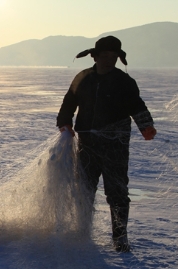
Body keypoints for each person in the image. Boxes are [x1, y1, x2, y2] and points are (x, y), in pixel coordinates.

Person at [57, 36, 156, 252]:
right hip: (87, 143)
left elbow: (137, 106)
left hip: (115, 146)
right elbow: (69, 102)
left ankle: (120, 238)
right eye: (105, 56)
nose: (109, 61)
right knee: (84, 188)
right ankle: (82, 231)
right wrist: (65, 122)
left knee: (117, 191)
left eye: (114, 57)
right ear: (95, 56)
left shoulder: (124, 81)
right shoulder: (83, 78)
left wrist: (146, 125)